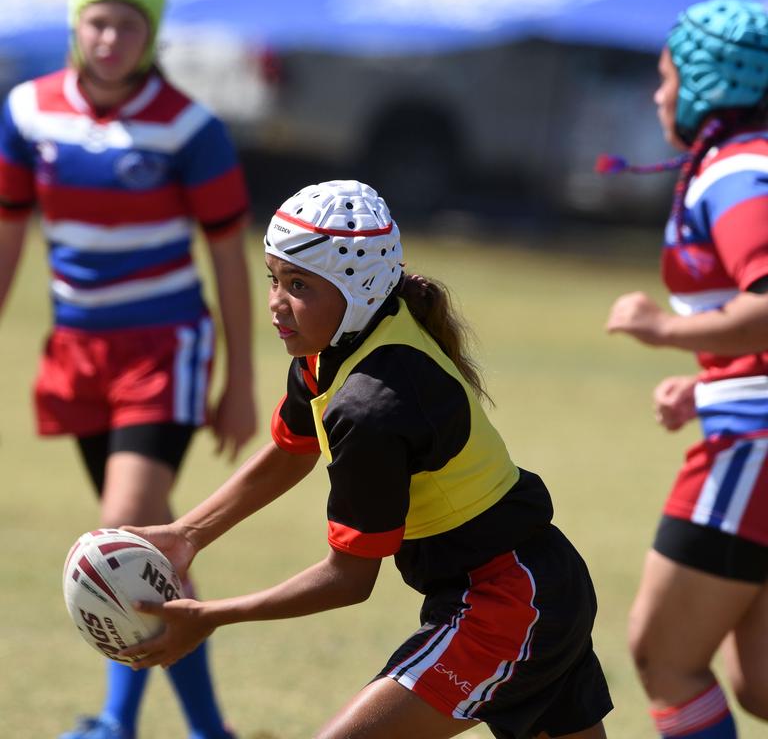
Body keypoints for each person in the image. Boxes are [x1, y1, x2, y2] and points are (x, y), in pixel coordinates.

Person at [116, 179, 612, 738]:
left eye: (298, 284)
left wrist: (213, 616)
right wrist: (188, 534)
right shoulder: (336, 345)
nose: (277, 304)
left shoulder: (373, 406)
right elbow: (288, 451)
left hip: (508, 602)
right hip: (529, 587)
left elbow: (348, 579)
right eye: (274, 279)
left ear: (358, 289)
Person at [0, 0, 257, 737]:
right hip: (78, 350)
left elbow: (229, 259)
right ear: (78, 26)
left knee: (121, 534)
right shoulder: (24, 110)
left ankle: (117, 724)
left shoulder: (190, 127)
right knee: (152, 548)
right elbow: (10, 231)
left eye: (129, 27)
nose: (111, 40)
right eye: (99, 24)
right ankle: (211, 729)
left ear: (153, 37)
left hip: (165, 349)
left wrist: (240, 378)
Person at [604, 0, 768, 739]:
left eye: (667, 76)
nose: (657, 93)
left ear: (709, 82)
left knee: (663, 653)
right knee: (762, 683)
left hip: (752, 452)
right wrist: (712, 381)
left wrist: (663, 328)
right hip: (748, 424)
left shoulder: (735, 172)